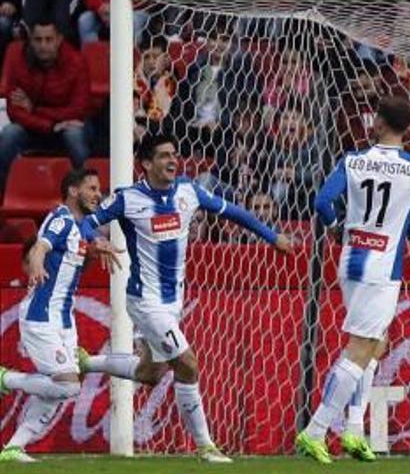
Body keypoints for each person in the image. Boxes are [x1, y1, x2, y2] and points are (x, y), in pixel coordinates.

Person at [76, 135, 294, 463]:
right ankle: (205, 446)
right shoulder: (128, 199)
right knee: (188, 364)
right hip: (145, 300)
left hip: (173, 299)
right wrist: (97, 241)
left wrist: (272, 236)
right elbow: (86, 222)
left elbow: (235, 213)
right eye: (164, 156)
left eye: (175, 155)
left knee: (152, 373)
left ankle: (86, 362)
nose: (172, 161)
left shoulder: (188, 191)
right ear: (146, 163)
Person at [297, 96, 410, 464]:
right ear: (407, 129)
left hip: (352, 259)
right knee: (360, 348)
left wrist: (337, 229)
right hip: (383, 268)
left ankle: (354, 431)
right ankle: (315, 430)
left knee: (376, 344)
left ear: (377, 122)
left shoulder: (353, 160)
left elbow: (323, 202)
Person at [0, 169, 120, 463]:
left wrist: (96, 249)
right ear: (73, 191)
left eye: (99, 188)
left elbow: (81, 245)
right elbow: (40, 246)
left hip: (64, 319)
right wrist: (38, 265)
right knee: (68, 385)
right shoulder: (60, 218)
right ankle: (7, 379)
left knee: (56, 391)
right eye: (91, 188)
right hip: (43, 316)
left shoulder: (82, 226)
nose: (97, 194)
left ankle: (14, 448)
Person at [0, 17, 89, 193]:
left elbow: (78, 109)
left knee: (75, 134)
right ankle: (3, 195)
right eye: (38, 40)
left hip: (64, 128)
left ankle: (87, 193)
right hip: (34, 127)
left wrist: (35, 109)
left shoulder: (76, 61)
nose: (43, 45)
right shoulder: (15, 56)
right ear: (30, 40)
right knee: (10, 134)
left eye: (49, 39)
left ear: (59, 39)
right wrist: (50, 124)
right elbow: (14, 110)